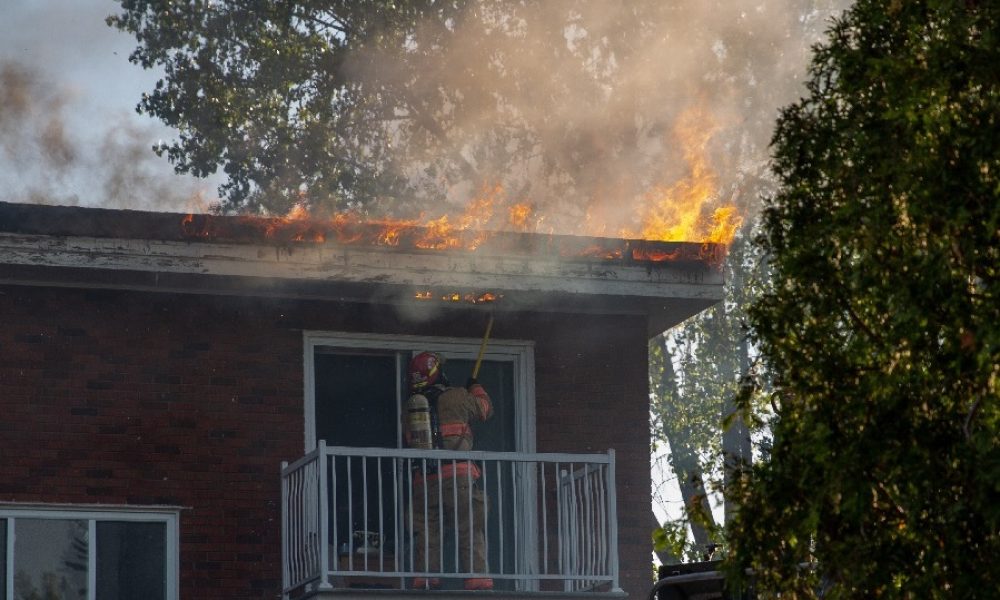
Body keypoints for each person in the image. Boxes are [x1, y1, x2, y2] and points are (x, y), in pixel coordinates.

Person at [404, 351, 493, 591]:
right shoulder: (457, 397)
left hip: (425, 480)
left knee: (426, 531)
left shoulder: (412, 409)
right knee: (469, 525)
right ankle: (476, 577)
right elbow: (485, 409)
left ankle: (426, 577)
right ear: (438, 372)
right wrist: (475, 388)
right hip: (458, 477)